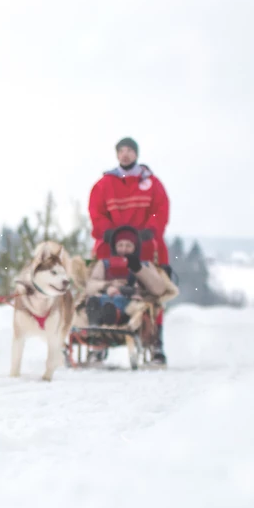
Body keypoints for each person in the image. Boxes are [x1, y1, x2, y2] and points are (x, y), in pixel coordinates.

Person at [88, 137, 170, 364]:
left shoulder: (151, 183)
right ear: (116, 155)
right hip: (112, 248)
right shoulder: (104, 184)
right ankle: (98, 337)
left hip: (144, 249)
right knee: (99, 287)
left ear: (136, 154)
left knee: (152, 295)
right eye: (121, 151)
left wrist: (150, 230)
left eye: (129, 151)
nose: (125, 155)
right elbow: (96, 212)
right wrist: (106, 232)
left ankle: (155, 343)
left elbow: (160, 211)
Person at [84, 226, 177, 327]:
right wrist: (108, 285)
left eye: (128, 245)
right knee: (98, 300)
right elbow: (90, 286)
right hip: (106, 295)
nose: (124, 249)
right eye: (120, 245)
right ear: (114, 246)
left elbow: (158, 289)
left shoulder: (145, 265)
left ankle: (113, 315)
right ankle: (95, 318)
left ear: (135, 247)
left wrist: (139, 269)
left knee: (122, 303)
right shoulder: (104, 264)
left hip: (131, 299)